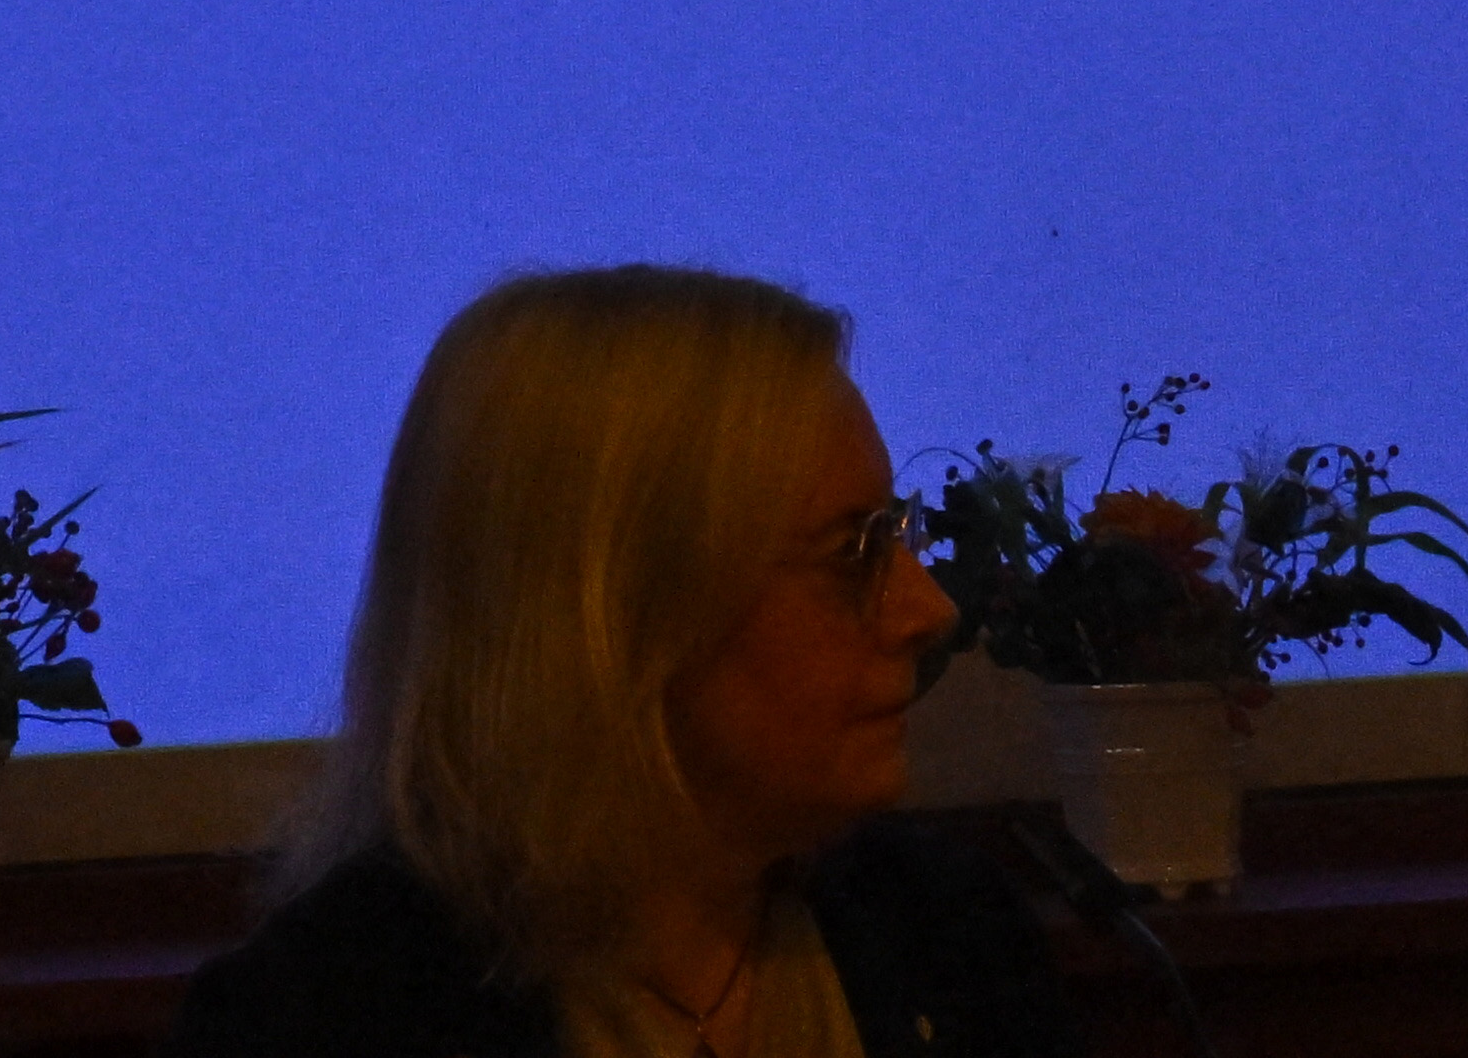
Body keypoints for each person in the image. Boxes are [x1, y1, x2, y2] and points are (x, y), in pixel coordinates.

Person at [169, 265, 1076, 1058]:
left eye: (899, 535)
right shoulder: (328, 1022)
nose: (929, 610)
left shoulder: (945, 935)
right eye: (852, 551)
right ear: (609, 618)